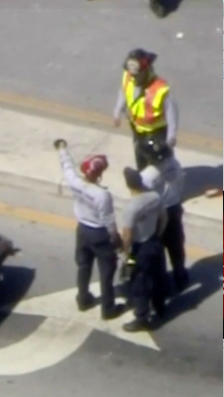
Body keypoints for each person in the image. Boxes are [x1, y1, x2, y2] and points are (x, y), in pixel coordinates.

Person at [54, 138, 123, 319]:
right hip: (99, 234)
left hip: (82, 230)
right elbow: (108, 221)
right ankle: (108, 309)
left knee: (83, 266)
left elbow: (67, 167)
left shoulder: (75, 182)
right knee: (106, 272)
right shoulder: (102, 195)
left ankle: (83, 299)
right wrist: (115, 238)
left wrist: (62, 149)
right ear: (99, 175)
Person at [112, 49, 179, 170]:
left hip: (156, 132)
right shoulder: (128, 77)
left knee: (160, 161)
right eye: (132, 74)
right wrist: (117, 111)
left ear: (146, 70)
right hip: (137, 128)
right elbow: (123, 92)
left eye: (137, 74)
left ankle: (166, 176)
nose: (134, 77)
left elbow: (172, 113)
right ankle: (142, 177)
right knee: (140, 154)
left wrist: (171, 136)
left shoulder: (160, 88)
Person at [119, 167, 169, 332]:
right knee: (158, 276)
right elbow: (164, 218)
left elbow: (127, 235)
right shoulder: (155, 197)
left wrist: (125, 255)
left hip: (137, 249)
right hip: (154, 243)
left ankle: (141, 317)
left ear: (128, 186)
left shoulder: (131, 208)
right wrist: (157, 236)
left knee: (138, 281)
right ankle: (160, 307)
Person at [139, 138, 190, 292]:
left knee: (158, 248)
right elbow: (181, 182)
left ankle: (162, 283)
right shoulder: (174, 164)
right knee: (176, 245)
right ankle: (180, 276)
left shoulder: (147, 175)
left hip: (157, 213)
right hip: (174, 208)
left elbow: (143, 196)